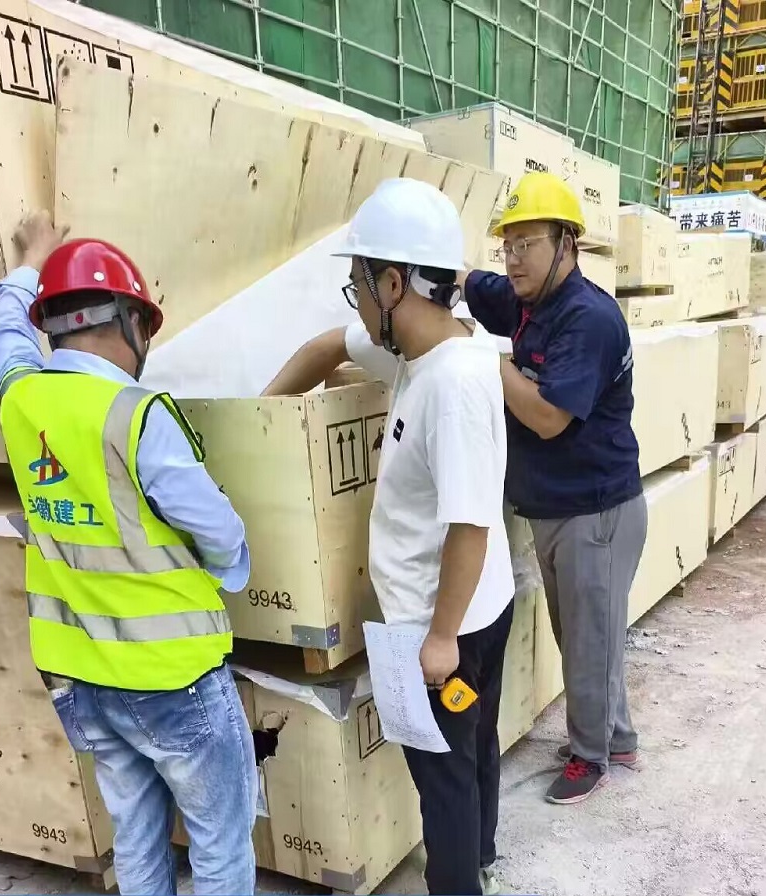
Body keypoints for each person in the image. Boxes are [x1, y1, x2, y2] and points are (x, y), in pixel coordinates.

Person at [0, 211, 259, 895]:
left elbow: (7, 338)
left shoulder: (21, 400)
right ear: (130, 321)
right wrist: (224, 570)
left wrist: (30, 262)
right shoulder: (137, 413)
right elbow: (218, 530)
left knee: (136, 837)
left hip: (83, 679)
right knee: (220, 842)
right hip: (174, 678)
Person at [262, 178, 514, 896]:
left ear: (395, 284)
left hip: (442, 623)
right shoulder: (422, 352)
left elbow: (469, 524)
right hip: (475, 607)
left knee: (443, 783)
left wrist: (440, 638)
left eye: (358, 285)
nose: (356, 302)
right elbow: (325, 346)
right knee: (473, 747)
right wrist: (262, 413)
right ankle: (482, 855)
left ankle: (460, 880)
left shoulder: (452, 385)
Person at [461, 172, 648, 805]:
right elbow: (472, 284)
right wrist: (436, 272)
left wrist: (485, 359)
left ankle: (590, 757)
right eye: (507, 245)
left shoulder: (587, 319)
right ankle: (617, 737)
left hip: (595, 510)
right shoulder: (529, 299)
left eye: (528, 244)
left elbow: (547, 417)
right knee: (588, 636)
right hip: (558, 506)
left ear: (567, 243)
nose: (513, 259)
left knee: (588, 642)